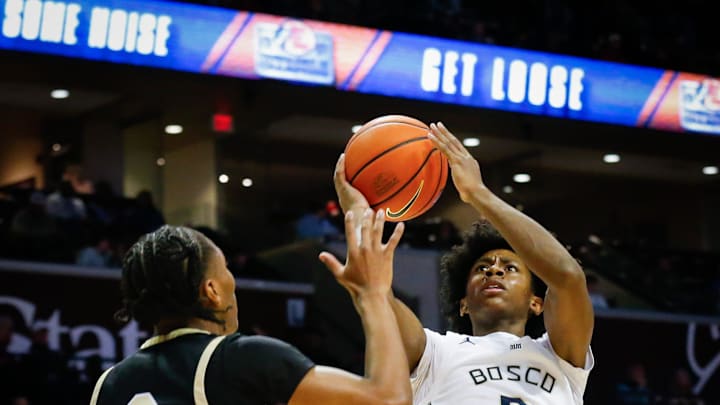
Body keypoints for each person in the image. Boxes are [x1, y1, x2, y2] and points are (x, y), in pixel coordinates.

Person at [332, 122, 594, 404]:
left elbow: (567, 276)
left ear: (536, 302)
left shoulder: (559, 356)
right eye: (481, 268)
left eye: (510, 268)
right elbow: (376, 295)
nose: (494, 270)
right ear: (464, 303)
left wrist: (477, 194)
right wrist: (358, 216)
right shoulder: (435, 352)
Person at [91, 214, 412, 404]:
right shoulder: (239, 358)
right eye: (226, 268)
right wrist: (373, 294)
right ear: (212, 291)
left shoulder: (107, 386)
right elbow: (388, 399)